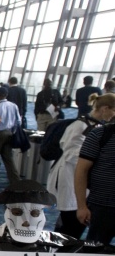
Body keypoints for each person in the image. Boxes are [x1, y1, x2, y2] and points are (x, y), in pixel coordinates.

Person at [48, 93, 114, 239]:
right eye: (113, 110)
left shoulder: (97, 126)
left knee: (74, 221)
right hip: (70, 176)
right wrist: (96, 157)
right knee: (70, 219)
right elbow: (70, 151)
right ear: (105, 108)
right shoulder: (81, 125)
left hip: (80, 179)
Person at [75, 120, 115, 245]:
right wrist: (81, 206)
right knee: (95, 250)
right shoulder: (100, 134)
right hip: (103, 207)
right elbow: (81, 171)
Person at [0, 86, 21, 184]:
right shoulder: (14, 106)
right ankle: (15, 179)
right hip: (10, 133)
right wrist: (13, 131)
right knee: (8, 158)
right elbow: (18, 121)